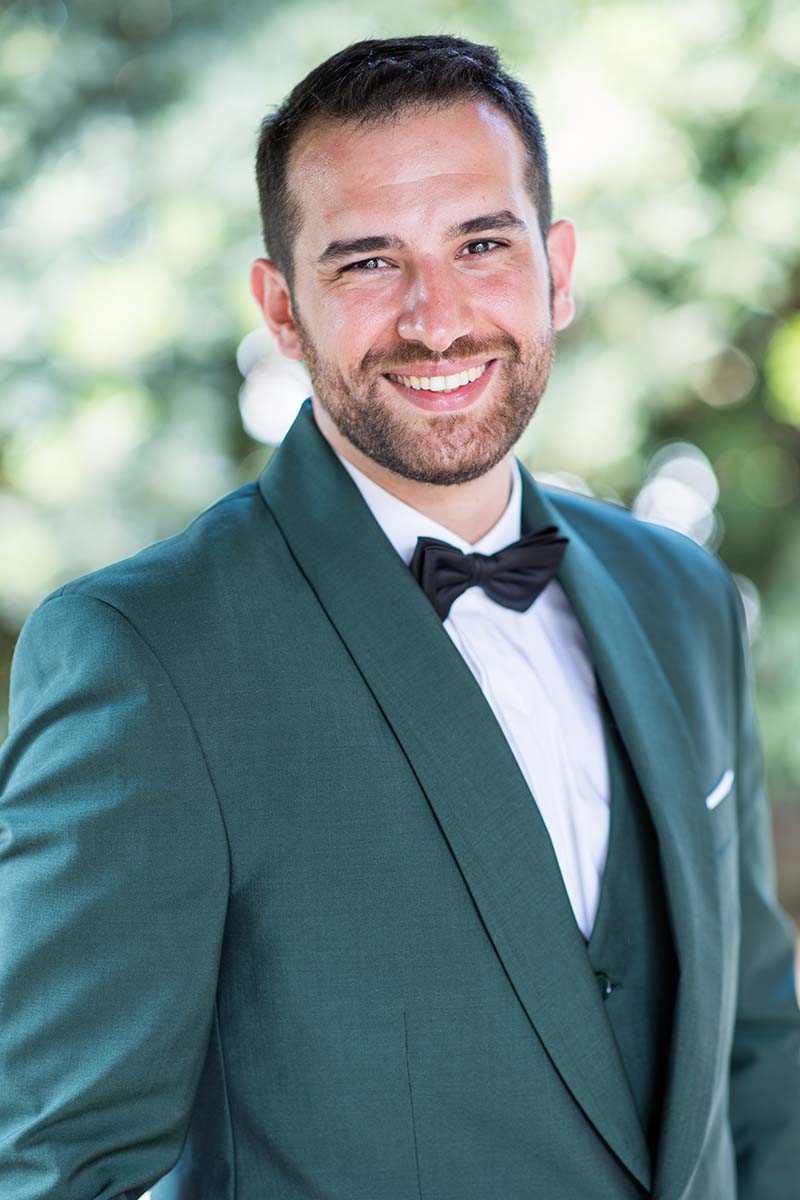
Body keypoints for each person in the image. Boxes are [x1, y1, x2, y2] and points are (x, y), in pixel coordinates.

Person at [0, 33, 798, 1200]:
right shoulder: (146, 656)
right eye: (368, 262)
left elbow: (755, 1054)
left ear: (555, 269)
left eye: (480, 244)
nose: (435, 318)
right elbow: (55, 1170)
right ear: (281, 309)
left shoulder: (683, 599)